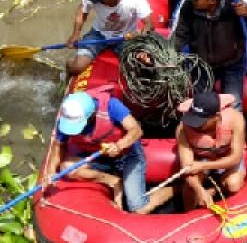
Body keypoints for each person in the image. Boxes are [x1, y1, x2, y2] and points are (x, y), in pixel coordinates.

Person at [42, 90, 172, 214]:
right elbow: (58, 145)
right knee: (67, 168)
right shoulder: (66, 118)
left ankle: (176, 189)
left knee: (138, 208)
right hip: (99, 156)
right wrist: (51, 172)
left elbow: (136, 130)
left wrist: (119, 145)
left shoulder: (111, 106)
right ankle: (113, 181)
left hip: (127, 155)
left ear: (91, 115)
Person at [171, 0, 247, 111]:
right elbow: (181, 35)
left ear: (211, 0)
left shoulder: (234, 7)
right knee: (202, 108)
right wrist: (171, 56)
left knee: (234, 106)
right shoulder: (189, 7)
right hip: (202, 65)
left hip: (232, 64)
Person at [64, 0, 153, 76]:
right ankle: (69, 65)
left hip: (125, 38)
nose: (97, 0)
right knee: (77, 67)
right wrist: (75, 34)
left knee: (141, 67)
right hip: (98, 34)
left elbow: (149, 25)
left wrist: (141, 35)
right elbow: (82, 11)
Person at [176, 89, 247, 210]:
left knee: (233, 185)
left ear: (217, 117)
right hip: (201, 158)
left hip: (225, 157)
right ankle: (187, 215)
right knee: (190, 189)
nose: (195, 125)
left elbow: (236, 157)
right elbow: (187, 167)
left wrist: (202, 166)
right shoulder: (182, 129)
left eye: (201, 122)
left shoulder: (236, 119)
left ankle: (215, 189)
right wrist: (198, 190)